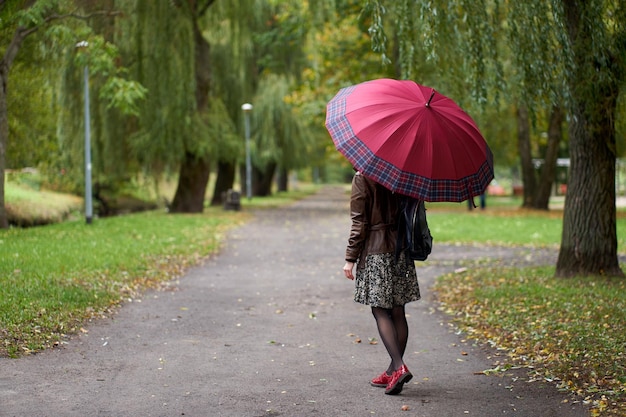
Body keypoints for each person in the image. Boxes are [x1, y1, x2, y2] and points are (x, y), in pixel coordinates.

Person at [342, 171, 421, 395]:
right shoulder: (404, 175)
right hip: (401, 251)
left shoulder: (363, 177)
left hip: (377, 252)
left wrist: (350, 258)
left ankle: (398, 367)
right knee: (398, 311)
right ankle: (392, 370)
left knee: (380, 310)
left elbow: (359, 222)